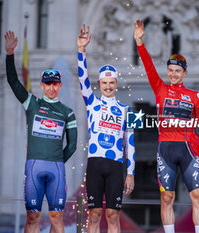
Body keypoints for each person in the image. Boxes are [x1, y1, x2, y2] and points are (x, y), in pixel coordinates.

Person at [134, 20, 199, 233]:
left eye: (178, 71)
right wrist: (140, 42)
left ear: (185, 73)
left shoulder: (194, 96)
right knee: (166, 196)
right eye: (170, 70)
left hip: (190, 150)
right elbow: (149, 66)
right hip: (166, 149)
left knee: (198, 195)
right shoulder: (160, 88)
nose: (173, 74)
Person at [4, 31, 77, 233]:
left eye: (55, 85)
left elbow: (72, 144)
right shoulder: (32, 103)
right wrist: (9, 54)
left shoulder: (67, 112)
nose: (52, 89)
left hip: (57, 169)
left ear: (60, 86)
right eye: (48, 85)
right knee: (33, 217)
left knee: (56, 217)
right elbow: (13, 82)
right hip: (34, 167)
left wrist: (57, 160)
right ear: (42, 85)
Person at [77, 25, 135, 233]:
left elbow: (132, 144)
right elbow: (82, 79)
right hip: (95, 164)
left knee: (113, 215)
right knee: (94, 215)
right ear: (99, 83)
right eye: (104, 83)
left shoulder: (127, 110)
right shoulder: (91, 102)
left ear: (116, 83)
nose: (108, 86)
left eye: (112, 83)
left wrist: (131, 173)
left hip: (115, 167)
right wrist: (81, 50)